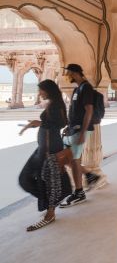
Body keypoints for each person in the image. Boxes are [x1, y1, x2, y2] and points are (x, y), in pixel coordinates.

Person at [19, 79, 71, 231]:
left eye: (40, 90)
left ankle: (50, 212)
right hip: (43, 148)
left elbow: (61, 123)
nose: (39, 93)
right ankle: (48, 202)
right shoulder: (54, 103)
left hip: (50, 149)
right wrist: (37, 124)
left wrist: (40, 123)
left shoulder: (56, 104)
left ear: (48, 90)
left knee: (49, 180)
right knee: (27, 179)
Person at [59, 64, 101, 207]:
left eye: (68, 73)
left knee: (75, 160)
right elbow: (76, 112)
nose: (67, 76)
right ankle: (90, 175)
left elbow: (89, 110)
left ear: (75, 73)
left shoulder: (86, 88)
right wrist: (68, 127)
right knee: (66, 159)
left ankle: (79, 193)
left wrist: (83, 132)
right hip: (73, 129)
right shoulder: (78, 89)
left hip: (80, 130)